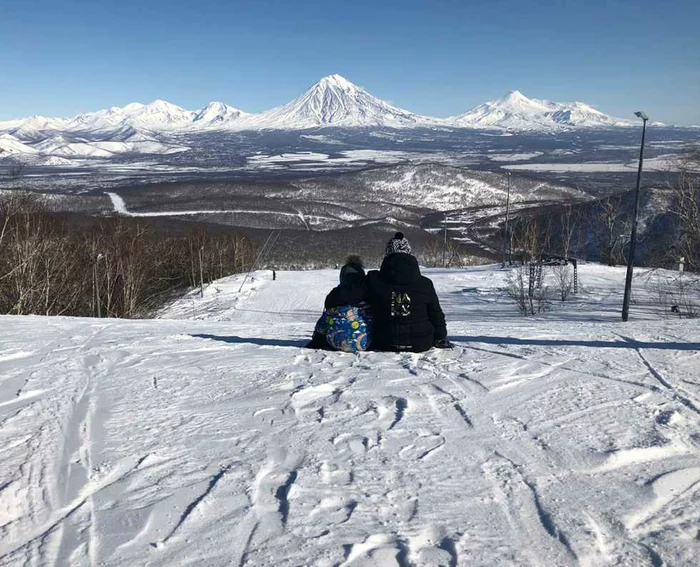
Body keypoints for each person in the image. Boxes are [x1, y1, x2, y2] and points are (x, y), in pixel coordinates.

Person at [327, 232, 453, 353]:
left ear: (387, 255)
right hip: (421, 343)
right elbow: (436, 314)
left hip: (385, 341)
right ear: (409, 254)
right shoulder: (425, 284)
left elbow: (340, 296)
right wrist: (440, 337)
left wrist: (331, 301)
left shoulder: (374, 280)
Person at [305, 256, 373, 353]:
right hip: (366, 342)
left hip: (336, 342)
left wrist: (317, 335)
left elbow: (325, 319)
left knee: (328, 317)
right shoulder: (369, 293)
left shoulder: (336, 294)